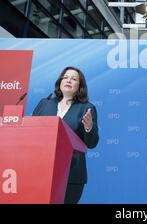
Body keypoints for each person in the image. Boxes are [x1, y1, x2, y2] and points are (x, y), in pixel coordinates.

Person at [32, 66, 99, 204]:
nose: (69, 80)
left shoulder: (86, 108)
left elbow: (92, 143)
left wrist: (88, 128)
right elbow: (31, 133)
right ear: (60, 81)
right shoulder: (45, 104)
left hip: (71, 175)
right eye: (66, 77)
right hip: (40, 170)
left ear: (80, 86)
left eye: (74, 79)